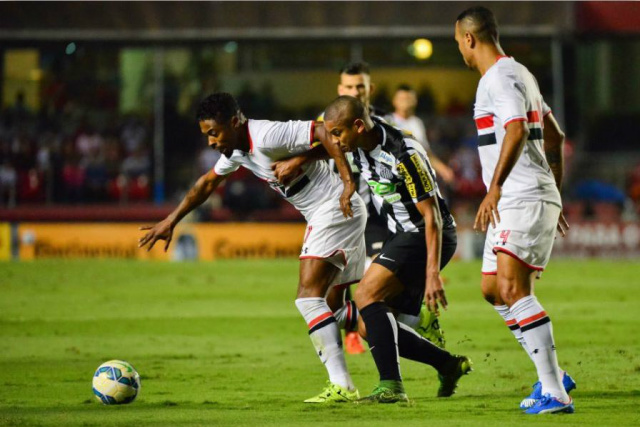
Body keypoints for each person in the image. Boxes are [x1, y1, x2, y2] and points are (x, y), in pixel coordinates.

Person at [138, 92, 367, 403]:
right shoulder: (237, 151)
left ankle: (343, 386)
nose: (210, 142)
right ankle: (416, 326)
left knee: (308, 298)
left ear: (234, 122)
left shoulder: (268, 135)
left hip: (334, 207)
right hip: (334, 211)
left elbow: (325, 130)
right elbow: (207, 183)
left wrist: (347, 180)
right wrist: (171, 220)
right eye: (206, 135)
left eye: (213, 133)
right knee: (334, 309)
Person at [455, 6, 576, 414]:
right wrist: (553, 194)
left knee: (512, 290)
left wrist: (496, 188)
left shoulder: (499, 78)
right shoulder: (522, 73)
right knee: (493, 290)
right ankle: (553, 376)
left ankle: (554, 391)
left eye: (458, 42)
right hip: (525, 196)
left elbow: (517, 129)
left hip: (518, 196)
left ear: (470, 39)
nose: (460, 51)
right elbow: (555, 138)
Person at [324, 95, 472, 403]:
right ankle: (447, 364)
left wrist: (432, 274)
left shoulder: (404, 153)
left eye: (338, 133)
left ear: (358, 125)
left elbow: (431, 217)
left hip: (428, 233)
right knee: (369, 325)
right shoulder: (358, 145)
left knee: (365, 295)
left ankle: (391, 387)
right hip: (403, 234)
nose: (334, 141)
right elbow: (318, 144)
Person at [332, 62, 447, 350]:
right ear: (340, 90)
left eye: (360, 86)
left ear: (370, 89)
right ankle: (411, 320)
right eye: (349, 87)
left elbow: (414, 163)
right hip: (340, 216)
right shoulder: (329, 122)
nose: (355, 91)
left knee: (371, 289)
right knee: (331, 294)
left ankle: (373, 334)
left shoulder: (387, 126)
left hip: (377, 216)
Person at [390, 84, 455, 185]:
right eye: (402, 98)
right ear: (394, 101)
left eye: (408, 98)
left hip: (416, 177)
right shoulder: (387, 122)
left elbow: (425, 152)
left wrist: (443, 169)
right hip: (395, 178)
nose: (405, 102)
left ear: (415, 101)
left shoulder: (417, 123)